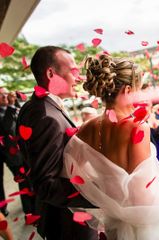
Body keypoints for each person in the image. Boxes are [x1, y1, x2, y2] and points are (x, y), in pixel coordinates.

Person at [63, 55, 159, 240]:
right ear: (128, 90)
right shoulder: (137, 128)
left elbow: (72, 172)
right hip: (148, 229)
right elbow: (142, 196)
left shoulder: (86, 129)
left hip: (116, 224)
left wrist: (107, 193)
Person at [17, 46, 98, 240]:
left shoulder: (39, 107)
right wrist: (100, 194)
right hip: (68, 225)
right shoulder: (46, 116)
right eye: (73, 71)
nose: (78, 78)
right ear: (51, 73)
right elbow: (46, 184)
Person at [0, 87, 35, 217]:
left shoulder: (14, 107)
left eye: (5, 94)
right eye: (1, 95)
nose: (4, 97)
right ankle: (25, 211)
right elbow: (7, 127)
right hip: (7, 153)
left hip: (19, 152)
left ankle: (32, 209)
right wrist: (10, 105)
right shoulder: (7, 109)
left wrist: (15, 102)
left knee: (27, 180)